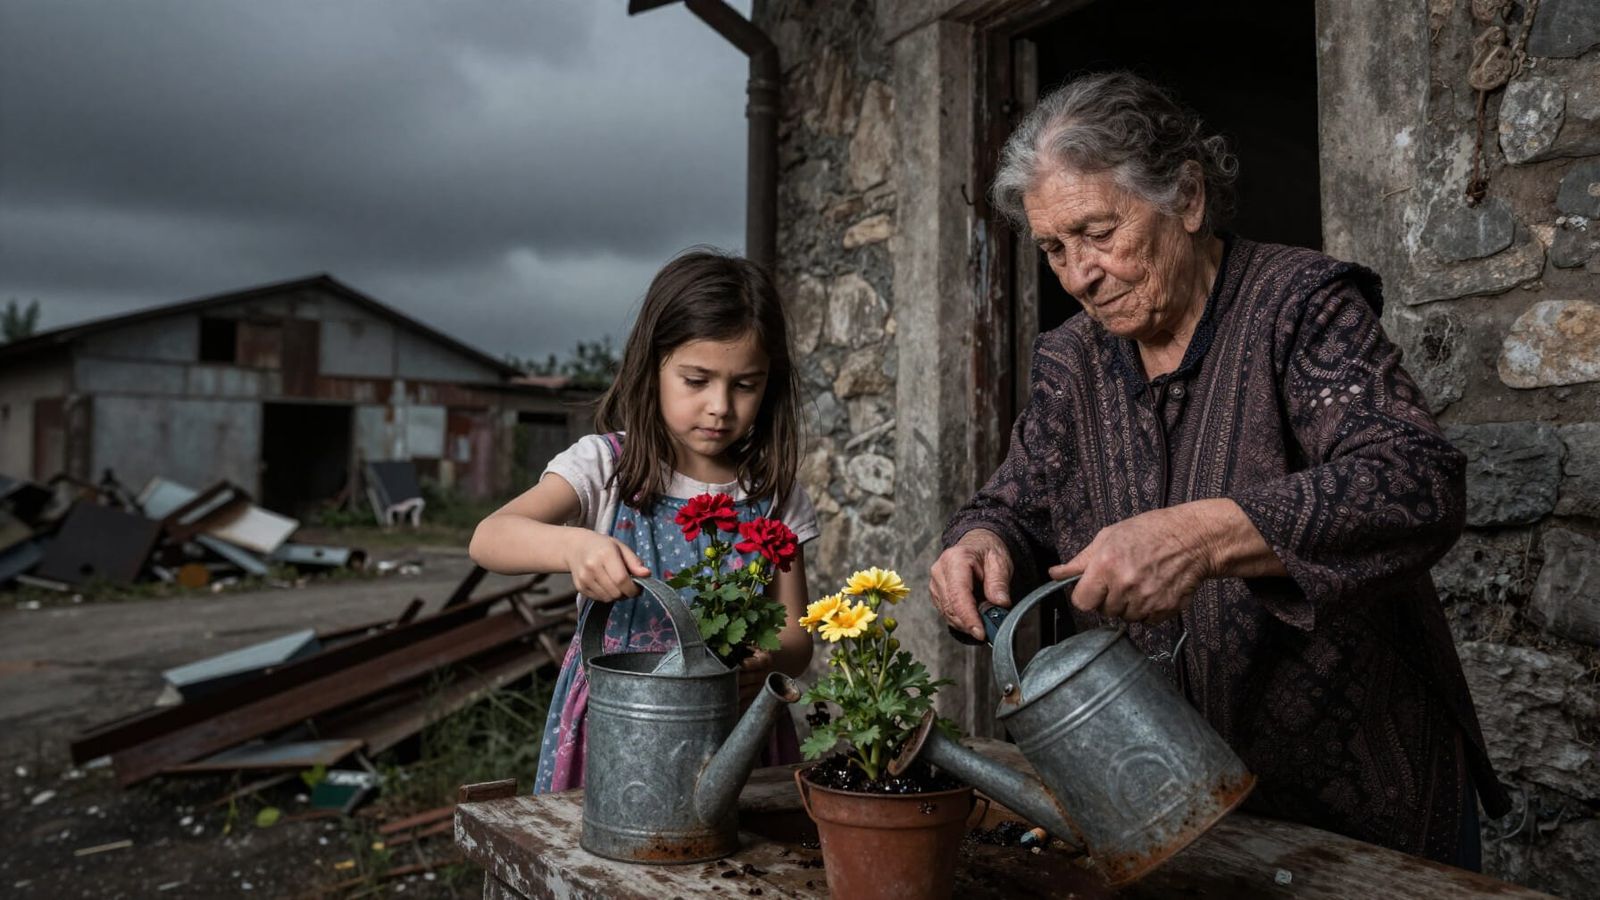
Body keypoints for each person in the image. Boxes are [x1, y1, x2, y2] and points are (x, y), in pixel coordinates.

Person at [928, 72, 1508, 868]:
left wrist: (1201, 538)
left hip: (1354, 801)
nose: (1077, 275)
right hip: (1162, 802)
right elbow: (1019, 498)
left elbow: (1414, 481)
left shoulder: (1300, 305)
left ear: (1189, 199)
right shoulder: (1073, 358)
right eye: (1054, 249)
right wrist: (981, 539)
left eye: (1099, 232)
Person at [471, 249, 818, 793]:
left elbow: (797, 636)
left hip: (736, 728)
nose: (720, 406)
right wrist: (574, 549)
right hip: (615, 724)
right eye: (696, 380)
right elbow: (488, 538)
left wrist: (771, 661)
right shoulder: (607, 467)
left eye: (745, 385)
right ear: (651, 367)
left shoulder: (773, 495)